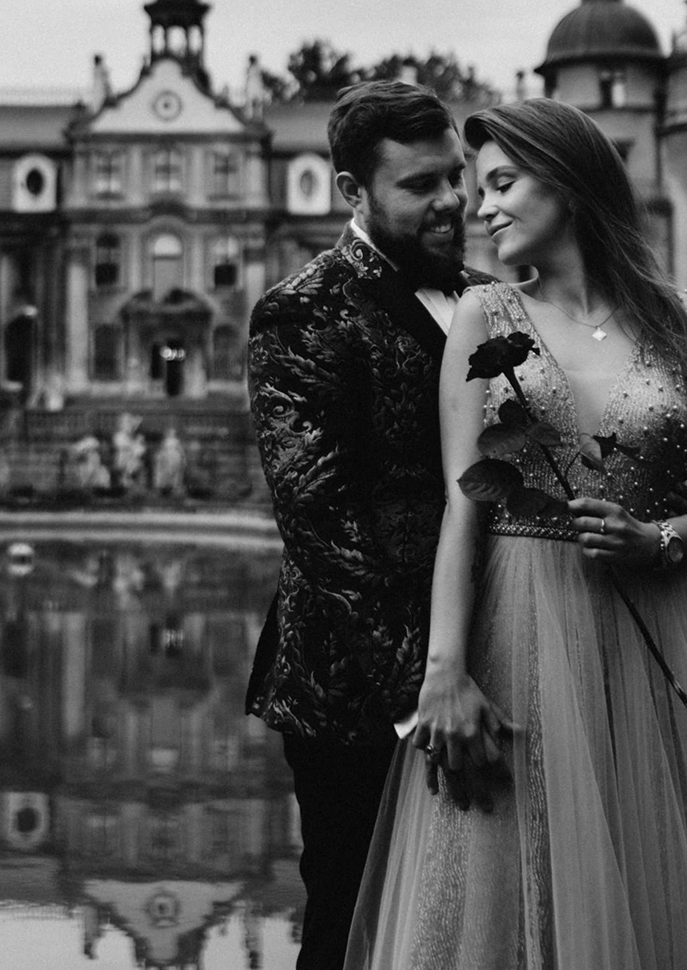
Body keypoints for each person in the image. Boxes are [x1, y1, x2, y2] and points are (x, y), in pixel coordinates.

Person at [345, 97, 687, 969]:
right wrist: (445, 671)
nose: (481, 208)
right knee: (511, 894)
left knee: (644, 880)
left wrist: (659, 539)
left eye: (502, 183)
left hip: (647, 631)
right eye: (480, 189)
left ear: (571, 183)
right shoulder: (484, 316)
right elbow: (465, 504)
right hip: (517, 633)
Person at [246, 79, 492, 970]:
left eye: (455, 176)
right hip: (355, 693)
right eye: (420, 185)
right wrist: (421, 695)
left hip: (489, 656)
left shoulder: (492, 298)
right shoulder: (302, 309)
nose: (452, 200)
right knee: (355, 919)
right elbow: (321, 523)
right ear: (352, 190)